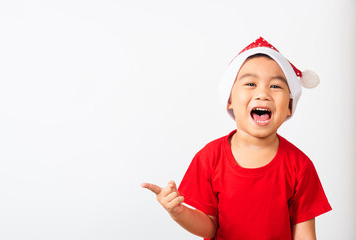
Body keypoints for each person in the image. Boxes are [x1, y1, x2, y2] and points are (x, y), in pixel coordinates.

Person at [141, 37, 332, 240]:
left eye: (276, 86)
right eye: (251, 83)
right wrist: (179, 213)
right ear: (229, 100)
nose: (263, 94)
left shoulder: (300, 166)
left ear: (289, 107)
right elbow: (209, 228)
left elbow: (304, 235)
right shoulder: (209, 158)